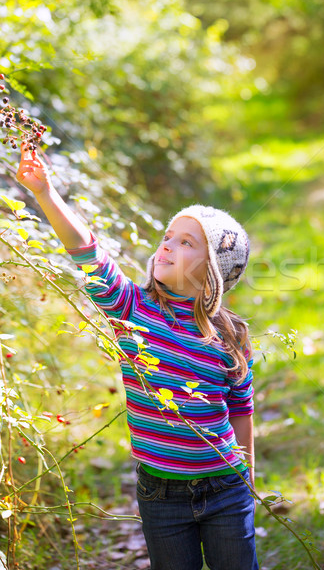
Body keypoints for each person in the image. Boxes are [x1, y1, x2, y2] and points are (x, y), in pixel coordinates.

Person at [16, 143, 259, 570]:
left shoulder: (230, 334)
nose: (166, 245)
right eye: (168, 236)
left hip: (226, 487)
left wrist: (248, 472)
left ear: (212, 274)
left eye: (186, 242)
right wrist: (45, 193)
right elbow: (86, 252)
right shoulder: (132, 308)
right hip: (160, 495)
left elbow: (241, 406)